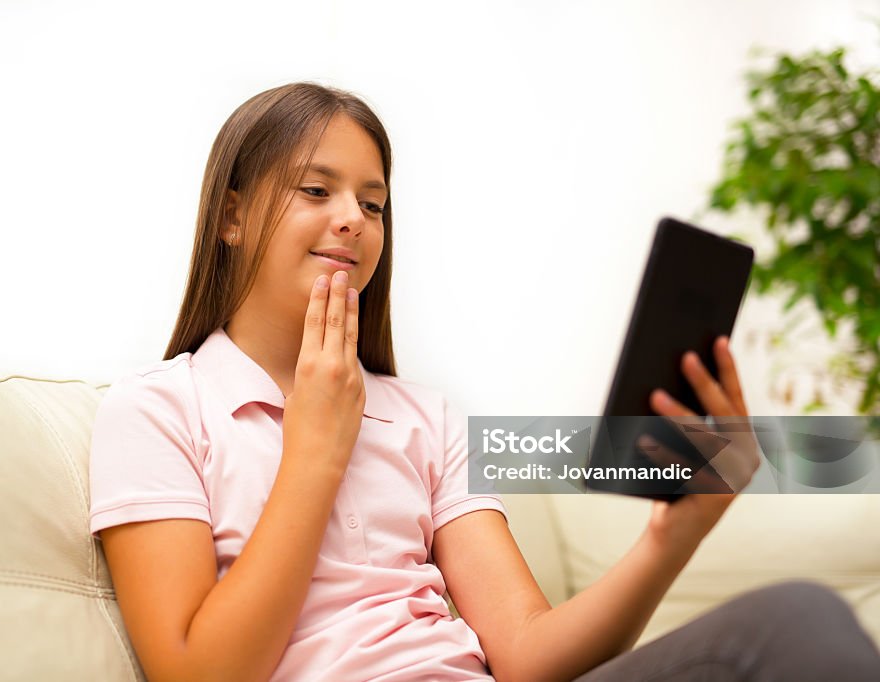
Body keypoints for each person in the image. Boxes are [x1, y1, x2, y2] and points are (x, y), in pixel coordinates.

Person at [87, 82, 880, 681]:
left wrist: (678, 534)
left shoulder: (426, 418)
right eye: (316, 189)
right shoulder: (155, 410)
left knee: (799, 618)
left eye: (373, 202)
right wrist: (315, 454)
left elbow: (530, 653)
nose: (354, 220)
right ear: (231, 217)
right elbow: (198, 672)